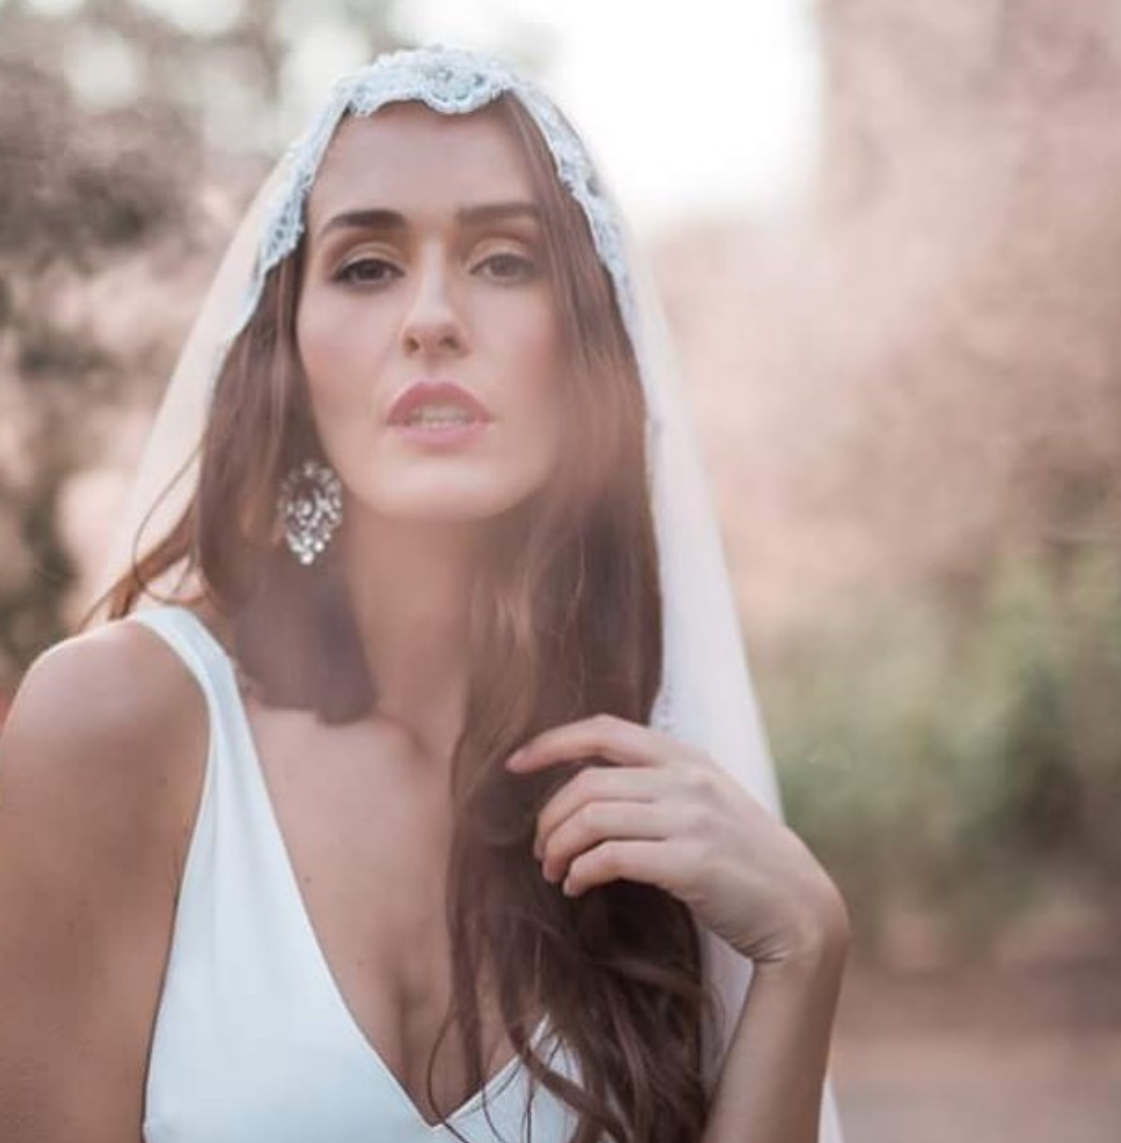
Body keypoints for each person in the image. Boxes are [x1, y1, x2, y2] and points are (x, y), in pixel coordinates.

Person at [0, 46, 848, 1143]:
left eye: (503, 262)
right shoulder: (122, 721)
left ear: (585, 343)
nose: (432, 317)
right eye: (365, 266)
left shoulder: (647, 799)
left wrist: (803, 952)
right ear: (290, 354)